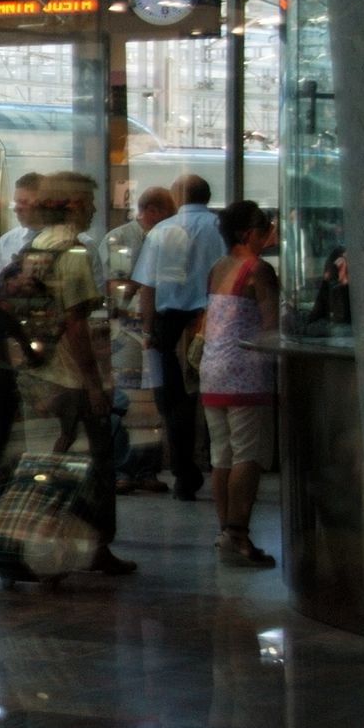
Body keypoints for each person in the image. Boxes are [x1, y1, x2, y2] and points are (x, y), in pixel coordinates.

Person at [12, 171, 135, 575]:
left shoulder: (36, 248)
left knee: (50, 465)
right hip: (71, 378)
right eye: (89, 201)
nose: (95, 209)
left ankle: (46, 545)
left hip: (39, 374)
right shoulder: (74, 253)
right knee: (93, 469)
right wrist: (94, 384)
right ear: (73, 205)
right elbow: (77, 326)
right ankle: (94, 549)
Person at [133, 174, 228, 500]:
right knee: (218, 400)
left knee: (174, 405)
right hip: (215, 321)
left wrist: (148, 331)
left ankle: (185, 476)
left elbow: (148, 286)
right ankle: (224, 472)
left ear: (178, 196)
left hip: (169, 326)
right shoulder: (221, 228)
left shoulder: (162, 231)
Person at [199, 202, 280, 567]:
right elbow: (271, 325)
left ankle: (225, 532)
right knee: (248, 453)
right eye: (264, 226)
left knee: (222, 455)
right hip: (247, 371)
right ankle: (239, 535)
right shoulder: (259, 270)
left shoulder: (218, 268)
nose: (269, 232)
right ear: (247, 233)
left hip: (212, 368)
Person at [103, 186, 176, 492]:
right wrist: (141, 283)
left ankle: (148, 469)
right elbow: (116, 286)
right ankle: (123, 468)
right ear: (153, 211)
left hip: (156, 328)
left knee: (152, 403)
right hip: (127, 332)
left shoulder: (166, 238)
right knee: (126, 401)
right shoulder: (119, 238)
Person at [0, 172, 43, 495]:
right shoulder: (9, 241)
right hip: (9, 351)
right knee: (6, 426)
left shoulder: (71, 245)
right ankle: (5, 497)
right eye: (16, 203)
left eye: (26, 203)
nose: (18, 209)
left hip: (46, 352)